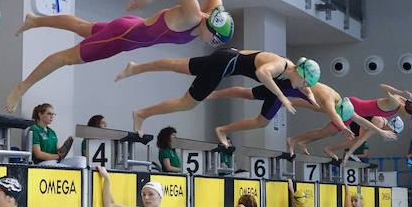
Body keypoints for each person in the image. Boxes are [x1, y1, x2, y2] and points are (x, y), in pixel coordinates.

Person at [5, 0, 234, 112]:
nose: (211, 43)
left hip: (128, 28)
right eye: (213, 39)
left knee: (82, 26)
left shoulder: (212, 13)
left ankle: (34, 20)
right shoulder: (193, 15)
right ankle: (21, 87)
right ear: (209, 26)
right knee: (66, 57)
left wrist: (218, 13)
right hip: (122, 37)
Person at [117, 48, 320, 135]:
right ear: (300, 76)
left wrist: (311, 97)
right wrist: (282, 96)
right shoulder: (279, 66)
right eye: (304, 84)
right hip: (222, 66)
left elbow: (308, 88)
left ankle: (135, 67)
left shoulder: (292, 68)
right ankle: (142, 114)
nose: (303, 88)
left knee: (177, 64)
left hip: (225, 56)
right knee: (187, 103)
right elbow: (262, 72)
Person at [285, 83, 412, 155]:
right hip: (351, 108)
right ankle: (293, 140)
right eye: (410, 117)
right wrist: (401, 92)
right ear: (408, 112)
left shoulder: (401, 104)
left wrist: (405, 96)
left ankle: (302, 141)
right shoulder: (395, 103)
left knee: (319, 109)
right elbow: (382, 87)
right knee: (326, 131)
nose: (408, 119)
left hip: (354, 110)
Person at [97, 166, 166, 207]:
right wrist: (106, 179)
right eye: (144, 194)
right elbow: (109, 206)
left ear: (160, 197)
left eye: (151, 194)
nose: (146, 197)